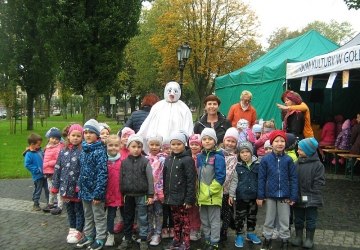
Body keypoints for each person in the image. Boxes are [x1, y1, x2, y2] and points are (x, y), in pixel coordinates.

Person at [257, 130, 298, 250]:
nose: (279, 143)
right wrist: (260, 196)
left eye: (282, 141)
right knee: (269, 219)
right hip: (270, 195)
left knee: (284, 220)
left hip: (285, 195)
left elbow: (293, 179)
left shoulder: (289, 160)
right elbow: (261, 178)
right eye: (276, 141)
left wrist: (293, 196)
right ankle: (267, 238)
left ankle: (285, 240)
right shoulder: (266, 160)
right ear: (271, 143)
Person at [76, 119, 108, 250]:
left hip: (96, 192)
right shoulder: (83, 150)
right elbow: (81, 169)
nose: (88, 135)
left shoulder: (100, 151)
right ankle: (89, 236)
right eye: (86, 132)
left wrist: (98, 194)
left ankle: (100, 238)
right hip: (85, 191)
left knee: (98, 216)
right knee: (87, 215)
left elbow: (103, 174)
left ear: (97, 135)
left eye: (91, 132)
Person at [118, 134, 154, 250]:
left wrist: (150, 194)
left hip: (142, 195)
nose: (136, 149)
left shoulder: (145, 162)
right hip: (128, 195)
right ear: (128, 147)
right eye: (133, 146)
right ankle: (127, 238)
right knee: (128, 218)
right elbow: (121, 178)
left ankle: (143, 239)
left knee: (142, 217)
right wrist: (121, 193)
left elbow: (150, 179)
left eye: (139, 147)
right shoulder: (124, 163)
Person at [163, 131, 197, 250]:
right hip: (171, 197)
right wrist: (165, 195)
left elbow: (191, 180)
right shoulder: (168, 159)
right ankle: (176, 239)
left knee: (185, 221)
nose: (176, 146)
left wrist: (189, 199)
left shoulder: (188, 160)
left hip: (183, 198)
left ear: (184, 144)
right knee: (176, 220)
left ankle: (186, 242)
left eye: (179, 144)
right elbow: (165, 178)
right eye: (173, 144)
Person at [137, 81, 193, 153]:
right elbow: (148, 123)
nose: (172, 93)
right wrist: (139, 137)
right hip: (157, 146)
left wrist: (186, 138)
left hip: (177, 146)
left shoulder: (184, 108)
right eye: (169, 91)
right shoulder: (158, 106)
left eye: (175, 91)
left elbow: (188, 126)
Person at [52, 124, 85, 244]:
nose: (75, 138)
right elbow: (57, 169)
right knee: (69, 210)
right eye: (73, 135)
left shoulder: (83, 151)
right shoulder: (63, 151)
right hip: (65, 187)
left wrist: (80, 185)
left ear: (82, 137)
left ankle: (79, 230)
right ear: (69, 136)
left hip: (77, 189)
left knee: (79, 209)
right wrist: (55, 186)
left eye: (78, 136)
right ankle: (72, 228)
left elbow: (84, 170)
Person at [290, 137, 325, 249]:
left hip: (312, 198)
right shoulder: (296, 164)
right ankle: (299, 236)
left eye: (300, 149)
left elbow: (319, 181)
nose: (298, 151)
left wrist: (313, 191)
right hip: (298, 197)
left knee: (311, 219)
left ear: (309, 151)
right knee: (298, 218)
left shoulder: (318, 165)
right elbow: (292, 179)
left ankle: (309, 238)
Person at [197, 128, 226, 250]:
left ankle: (214, 241)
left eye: (210, 139)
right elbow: (197, 175)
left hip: (212, 196)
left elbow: (221, 177)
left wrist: (209, 191)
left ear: (215, 141)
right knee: (204, 219)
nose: (207, 141)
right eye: (204, 139)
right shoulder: (199, 157)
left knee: (214, 220)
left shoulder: (218, 157)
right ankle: (207, 238)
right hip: (201, 195)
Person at [228, 141, 261, 248]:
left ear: (251, 153)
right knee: (239, 217)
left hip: (253, 197)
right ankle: (239, 235)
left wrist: (261, 196)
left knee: (252, 216)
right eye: (242, 152)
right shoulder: (238, 167)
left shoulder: (257, 165)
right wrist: (231, 195)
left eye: (247, 152)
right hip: (241, 197)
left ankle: (250, 233)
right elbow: (234, 181)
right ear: (239, 154)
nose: (245, 154)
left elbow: (261, 181)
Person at [146, 134, 167, 247]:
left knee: (158, 212)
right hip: (148, 192)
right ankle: (149, 231)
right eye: (152, 144)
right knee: (148, 212)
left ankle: (158, 233)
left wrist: (161, 191)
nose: (154, 147)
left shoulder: (163, 159)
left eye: (157, 144)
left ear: (161, 146)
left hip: (159, 192)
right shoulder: (145, 159)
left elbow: (164, 176)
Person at [219, 127, 239, 242]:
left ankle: (224, 230)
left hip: (228, 189)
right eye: (228, 140)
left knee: (227, 211)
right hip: (217, 188)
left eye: (233, 141)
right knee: (217, 211)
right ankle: (217, 228)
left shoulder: (236, 157)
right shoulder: (218, 153)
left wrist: (232, 192)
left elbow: (234, 175)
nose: (230, 144)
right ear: (224, 140)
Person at [104, 135, 124, 247]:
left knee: (125, 214)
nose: (113, 148)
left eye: (116, 145)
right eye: (110, 145)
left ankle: (127, 234)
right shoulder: (104, 160)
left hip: (121, 193)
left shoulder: (123, 161)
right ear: (106, 146)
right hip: (109, 193)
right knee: (110, 215)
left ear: (120, 146)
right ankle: (110, 234)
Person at [23, 133, 49, 211]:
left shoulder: (40, 150)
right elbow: (27, 164)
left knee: (48, 189)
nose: (39, 146)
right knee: (38, 190)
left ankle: (49, 203)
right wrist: (37, 170)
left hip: (45, 174)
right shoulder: (29, 154)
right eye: (38, 145)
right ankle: (36, 203)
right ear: (32, 144)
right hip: (38, 176)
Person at [42, 127, 64, 215]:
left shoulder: (58, 148)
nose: (54, 140)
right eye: (53, 138)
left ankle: (60, 206)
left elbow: (59, 160)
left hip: (55, 172)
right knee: (50, 189)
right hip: (48, 173)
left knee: (57, 189)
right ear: (49, 138)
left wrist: (48, 163)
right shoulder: (48, 147)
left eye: (57, 139)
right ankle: (51, 203)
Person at [188, 134, 202, 241]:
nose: (194, 147)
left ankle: (196, 228)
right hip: (190, 186)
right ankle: (190, 227)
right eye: (192, 144)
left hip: (200, 186)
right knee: (190, 208)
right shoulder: (187, 157)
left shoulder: (201, 157)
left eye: (196, 144)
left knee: (198, 209)